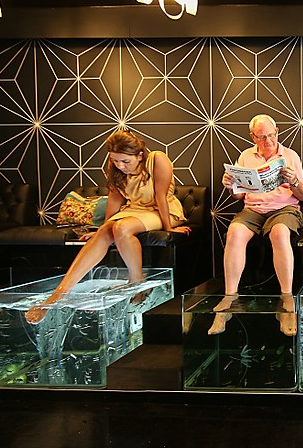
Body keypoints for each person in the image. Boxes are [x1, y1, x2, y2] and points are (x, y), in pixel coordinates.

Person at [25, 128, 191, 324]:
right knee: (106, 230)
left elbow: (160, 197)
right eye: (115, 160)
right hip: (134, 210)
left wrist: (169, 228)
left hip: (161, 209)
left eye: (125, 161)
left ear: (139, 155)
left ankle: (137, 282)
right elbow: (114, 200)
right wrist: (101, 231)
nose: (120, 165)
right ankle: (59, 293)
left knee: (121, 228)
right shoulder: (115, 167)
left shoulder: (157, 159)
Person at [212, 114, 303, 336]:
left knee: (280, 233)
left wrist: (293, 181)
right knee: (234, 231)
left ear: (277, 132)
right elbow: (238, 196)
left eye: (271, 135)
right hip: (253, 209)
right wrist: (230, 185)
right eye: (262, 137)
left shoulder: (290, 156)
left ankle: (286, 301)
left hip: (284, 209)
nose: (268, 141)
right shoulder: (246, 156)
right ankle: (229, 298)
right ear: (253, 137)